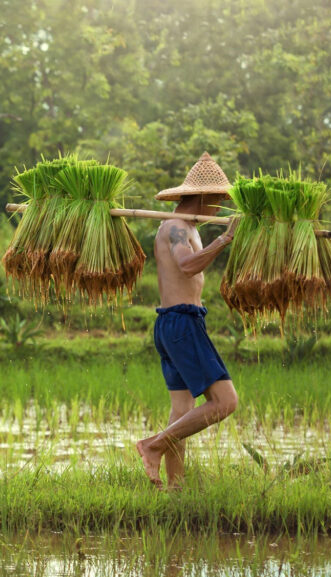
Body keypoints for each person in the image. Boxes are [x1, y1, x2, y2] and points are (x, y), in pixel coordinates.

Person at [136, 153, 239, 489]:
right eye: (217, 201)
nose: (218, 209)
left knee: (181, 411)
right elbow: (187, 266)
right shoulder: (177, 228)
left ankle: (175, 489)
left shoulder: (184, 227)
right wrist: (224, 240)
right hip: (182, 323)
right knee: (225, 402)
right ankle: (153, 445)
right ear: (203, 197)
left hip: (172, 323)